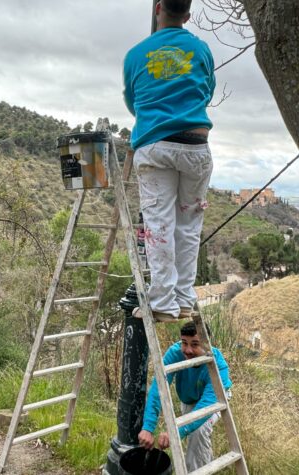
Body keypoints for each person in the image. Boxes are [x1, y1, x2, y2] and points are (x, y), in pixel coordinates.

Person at [123, 0, 215, 321]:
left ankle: (162, 302)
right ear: (187, 15)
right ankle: (184, 299)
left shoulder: (136, 55)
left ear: (157, 8)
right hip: (196, 145)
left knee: (159, 225)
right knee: (188, 226)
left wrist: (156, 119)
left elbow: (132, 102)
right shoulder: (201, 50)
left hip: (155, 146)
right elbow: (207, 92)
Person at [138, 322, 231, 471]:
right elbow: (158, 389)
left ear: (207, 345)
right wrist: (148, 427)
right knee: (191, 435)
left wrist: (175, 433)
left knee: (198, 432)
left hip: (215, 398)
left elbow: (206, 405)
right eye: (184, 343)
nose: (187, 350)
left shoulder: (218, 366)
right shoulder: (175, 353)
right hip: (188, 398)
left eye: (195, 344)